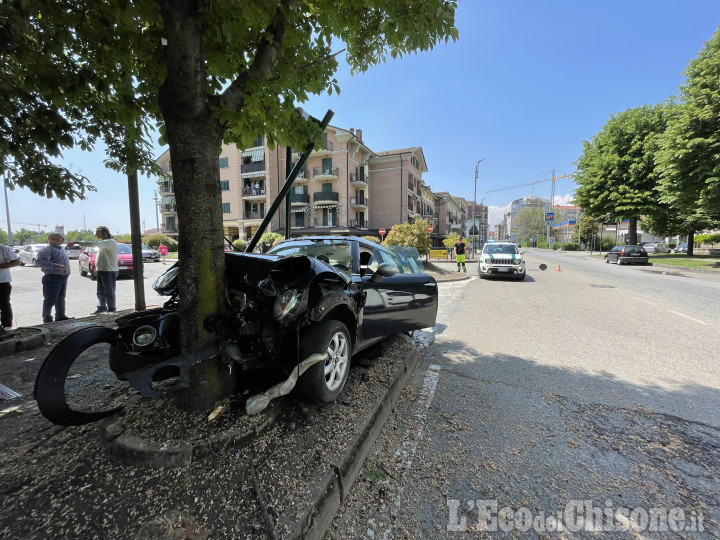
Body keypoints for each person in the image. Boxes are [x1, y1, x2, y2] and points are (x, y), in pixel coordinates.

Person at [37, 233, 72, 323]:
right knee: (50, 299)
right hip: (52, 277)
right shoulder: (47, 250)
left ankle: (60, 316)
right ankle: (47, 318)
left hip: (63, 277)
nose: (63, 239)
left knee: (60, 298)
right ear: (52, 239)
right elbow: (40, 262)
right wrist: (57, 266)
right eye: (60, 238)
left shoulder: (62, 249)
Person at [94, 225, 118, 314]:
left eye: (98, 232)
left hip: (109, 270)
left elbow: (94, 244)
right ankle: (102, 307)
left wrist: (77, 242)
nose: (96, 234)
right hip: (102, 270)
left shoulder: (109, 242)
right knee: (100, 291)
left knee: (109, 291)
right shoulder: (104, 243)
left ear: (104, 233)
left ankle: (112, 308)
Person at [0, 243, 22, 331]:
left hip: (2, 281)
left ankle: (7, 327)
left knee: (4, 305)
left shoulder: (3, 248)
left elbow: (17, 262)